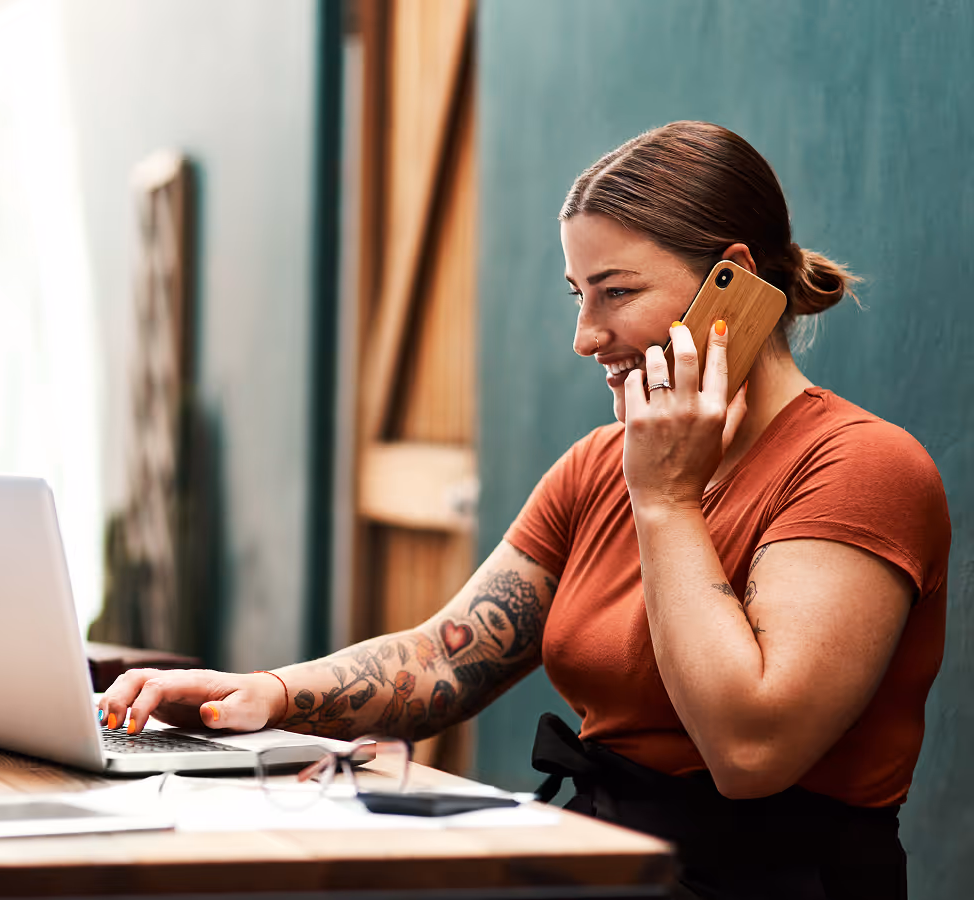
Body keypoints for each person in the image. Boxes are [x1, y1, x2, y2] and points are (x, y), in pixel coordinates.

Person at [99, 122, 948, 899]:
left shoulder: (860, 467)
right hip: (597, 860)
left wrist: (665, 500)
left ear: (731, 281)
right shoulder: (596, 466)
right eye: (576, 294)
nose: (585, 335)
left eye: (615, 292)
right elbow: (445, 658)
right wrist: (264, 694)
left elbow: (752, 753)